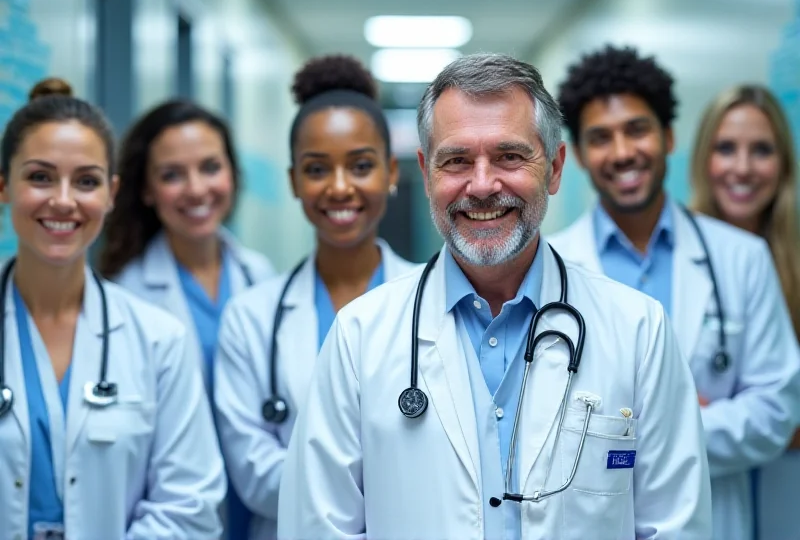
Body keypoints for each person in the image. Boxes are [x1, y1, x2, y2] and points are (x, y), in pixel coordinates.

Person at [276, 53, 712, 540]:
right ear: (426, 173)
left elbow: (676, 526)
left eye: (509, 156)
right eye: (456, 160)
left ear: (554, 167)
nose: (482, 185)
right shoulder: (359, 336)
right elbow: (317, 527)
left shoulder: (637, 329)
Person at [548, 46, 800, 540]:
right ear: (576, 155)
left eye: (637, 130)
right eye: (600, 138)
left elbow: (775, 410)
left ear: (668, 137)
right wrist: (683, 420)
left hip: (716, 521)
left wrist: (631, 435)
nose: (622, 152)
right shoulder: (549, 269)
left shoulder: (742, 257)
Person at [0, 92, 225, 539]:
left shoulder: (160, 339)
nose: (63, 201)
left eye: (86, 181)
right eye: (40, 177)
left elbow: (189, 504)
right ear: (4, 185)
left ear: (111, 194)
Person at [213, 54, 419, 540]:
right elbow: (253, 473)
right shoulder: (252, 318)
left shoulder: (433, 303)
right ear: (293, 182)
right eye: (317, 169)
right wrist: (388, 487)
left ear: (391, 172)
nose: (340, 187)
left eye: (362, 165)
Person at [97, 100, 274, 540]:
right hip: (168, 510)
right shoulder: (121, 296)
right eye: (172, 175)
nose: (196, 189)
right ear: (145, 190)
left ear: (232, 174)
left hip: (259, 506)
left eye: (210, 167)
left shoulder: (262, 277)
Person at [689, 84, 800, 539]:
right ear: (702, 160)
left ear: (783, 165)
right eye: (725, 148)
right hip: (709, 498)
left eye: (761, 151)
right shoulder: (673, 261)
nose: (742, 167)